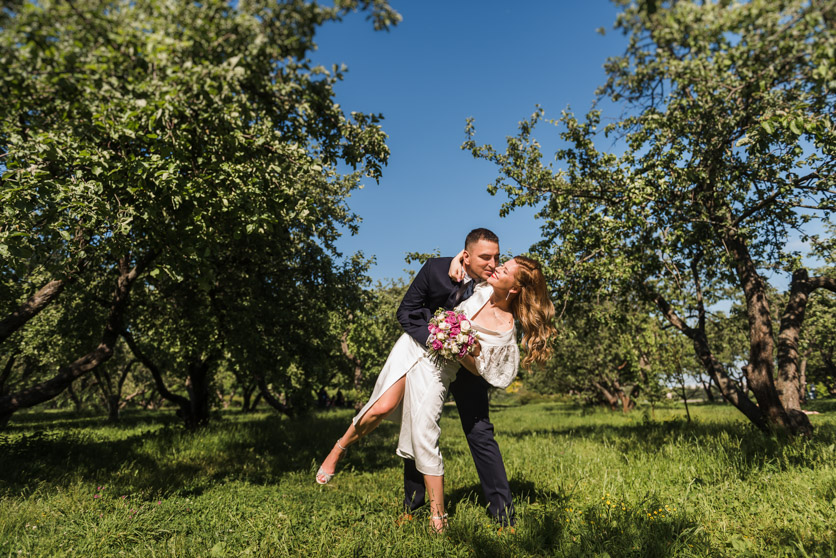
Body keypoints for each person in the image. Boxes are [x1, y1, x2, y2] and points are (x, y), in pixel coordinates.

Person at [315, 229, 554, 530]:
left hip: (456, 367)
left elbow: (489, 371)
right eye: (492, 260)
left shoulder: (499, 314)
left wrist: (461, 347)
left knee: (471, 432)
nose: (495, 265)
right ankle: (399, 495)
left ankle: (499, 514)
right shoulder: (481, 284)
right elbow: (462, 272)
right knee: (393, 411)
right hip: (422, 350)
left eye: (501, 263)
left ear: (515, 288)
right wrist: (458, 260)